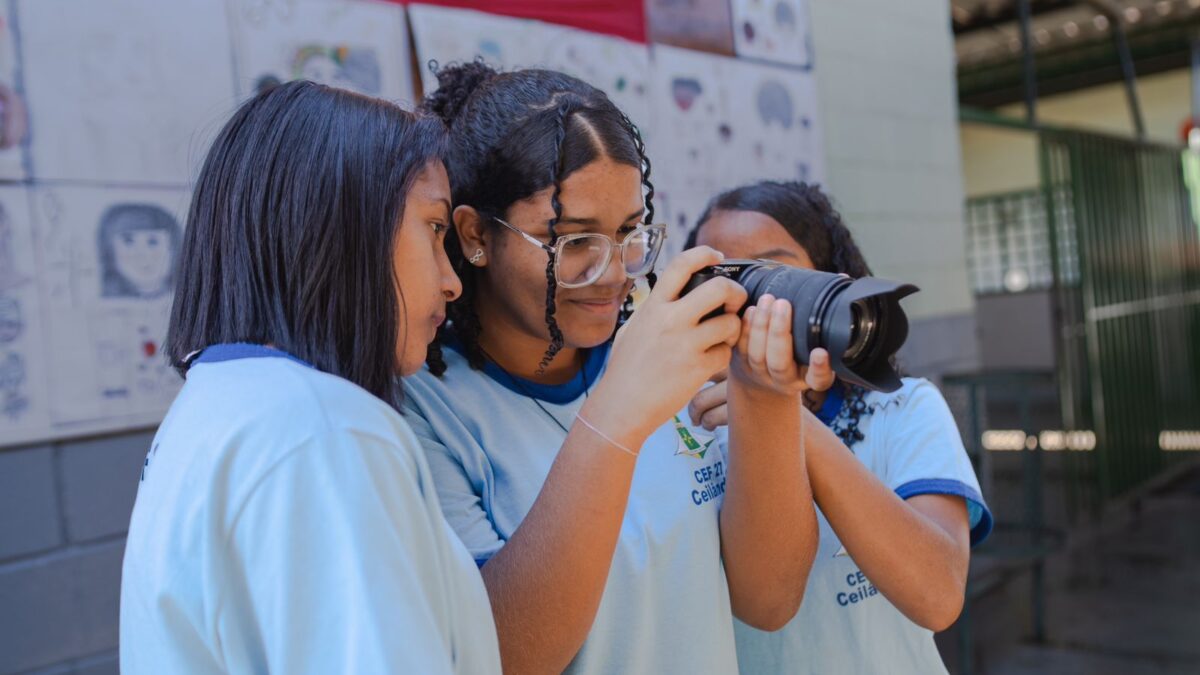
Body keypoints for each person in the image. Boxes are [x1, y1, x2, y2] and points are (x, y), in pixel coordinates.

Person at [402, 61, 822, 674]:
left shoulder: (666, 350)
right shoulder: (423, 409)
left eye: (628, 234)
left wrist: (766, 400)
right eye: (573, 242)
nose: (613, 272)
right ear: (474, 236)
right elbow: (501, 656)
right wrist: (615, 419)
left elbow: (769, 599)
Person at [119, 80, 501, 674]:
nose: (452, 281)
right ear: (342, 225)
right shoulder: (326, 430)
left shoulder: (226, 404)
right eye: (432, 229)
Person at [686, 180, 994, 674]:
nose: (750, 301)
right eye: (723, 275)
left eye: (772, 272)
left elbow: (938, 594)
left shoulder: (904, 409)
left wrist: (776, 411)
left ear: (828, 282)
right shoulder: (688, 421)